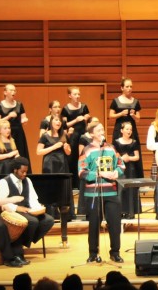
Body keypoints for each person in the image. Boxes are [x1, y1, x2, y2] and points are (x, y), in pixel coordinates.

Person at [80, 123, 125, 263]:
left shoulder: (111, 148)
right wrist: (98, 173)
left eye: (103, 130)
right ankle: (93, 253)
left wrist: (117, 172)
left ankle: (115, 252)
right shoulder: (86, 151)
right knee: (94, 224)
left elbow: (121, 164)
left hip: (110, 192)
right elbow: (81, 171)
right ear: (92, 134)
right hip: (93, 194)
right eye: (99, 130)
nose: (102, 132)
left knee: (115, 223)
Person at [0, 157, 54, 260]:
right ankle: (17, 248)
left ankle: (21, 242)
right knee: (33, 221)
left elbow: (32, 198)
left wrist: (38, 208)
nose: (25, 174)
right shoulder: (3, 182)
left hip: (27, 210)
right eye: (22, 172)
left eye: (26, 172)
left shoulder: (27, 180)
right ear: (15, 170)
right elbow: (3, 204)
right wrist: (18, 208)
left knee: (48, 220)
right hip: (11, 212)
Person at [113, 119, 143, 217]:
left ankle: (130, 212)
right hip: (121, 168)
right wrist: (121, 158)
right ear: (121, 130)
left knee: (130, 190)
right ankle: (120, 211)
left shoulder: (134, 142)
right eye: (127, 129)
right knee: (121, 189)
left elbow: (137, 157)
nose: (129, 131)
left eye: (130, 129)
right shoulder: (116, 142)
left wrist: (129, 158)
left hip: (131, 169)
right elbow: (114, 156)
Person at [0, 84, 30, 160]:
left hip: (18, 133)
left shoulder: (19, 104)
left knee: (20, 153)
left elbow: (23, 118)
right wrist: (9, 116)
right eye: (11, 90)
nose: (13, 92)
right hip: (6, 134)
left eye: (14, 90)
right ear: (5, 92)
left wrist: (24, 120)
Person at [61, 86, 91, 176]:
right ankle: (74, 182)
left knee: (84, 155)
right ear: (70, 95)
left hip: (83, 134)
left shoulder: (84, 106)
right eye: (75, 94)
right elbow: (64, 125)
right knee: (73, 158)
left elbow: (88, 117)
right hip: (73, 136)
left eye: (78, 94)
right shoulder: (66, 109)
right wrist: (76, 120)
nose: (77, 96)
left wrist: (86, 117)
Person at [109, 77, 142, 142]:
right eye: (127, 86)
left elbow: (138, 119)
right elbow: (111, 116)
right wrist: (121, 114)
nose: (129, 88)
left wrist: (133, 116)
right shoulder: (116, 101)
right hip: (119, 130)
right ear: (122, 88)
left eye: (131, 86)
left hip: (132, 130)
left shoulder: (136, 102)